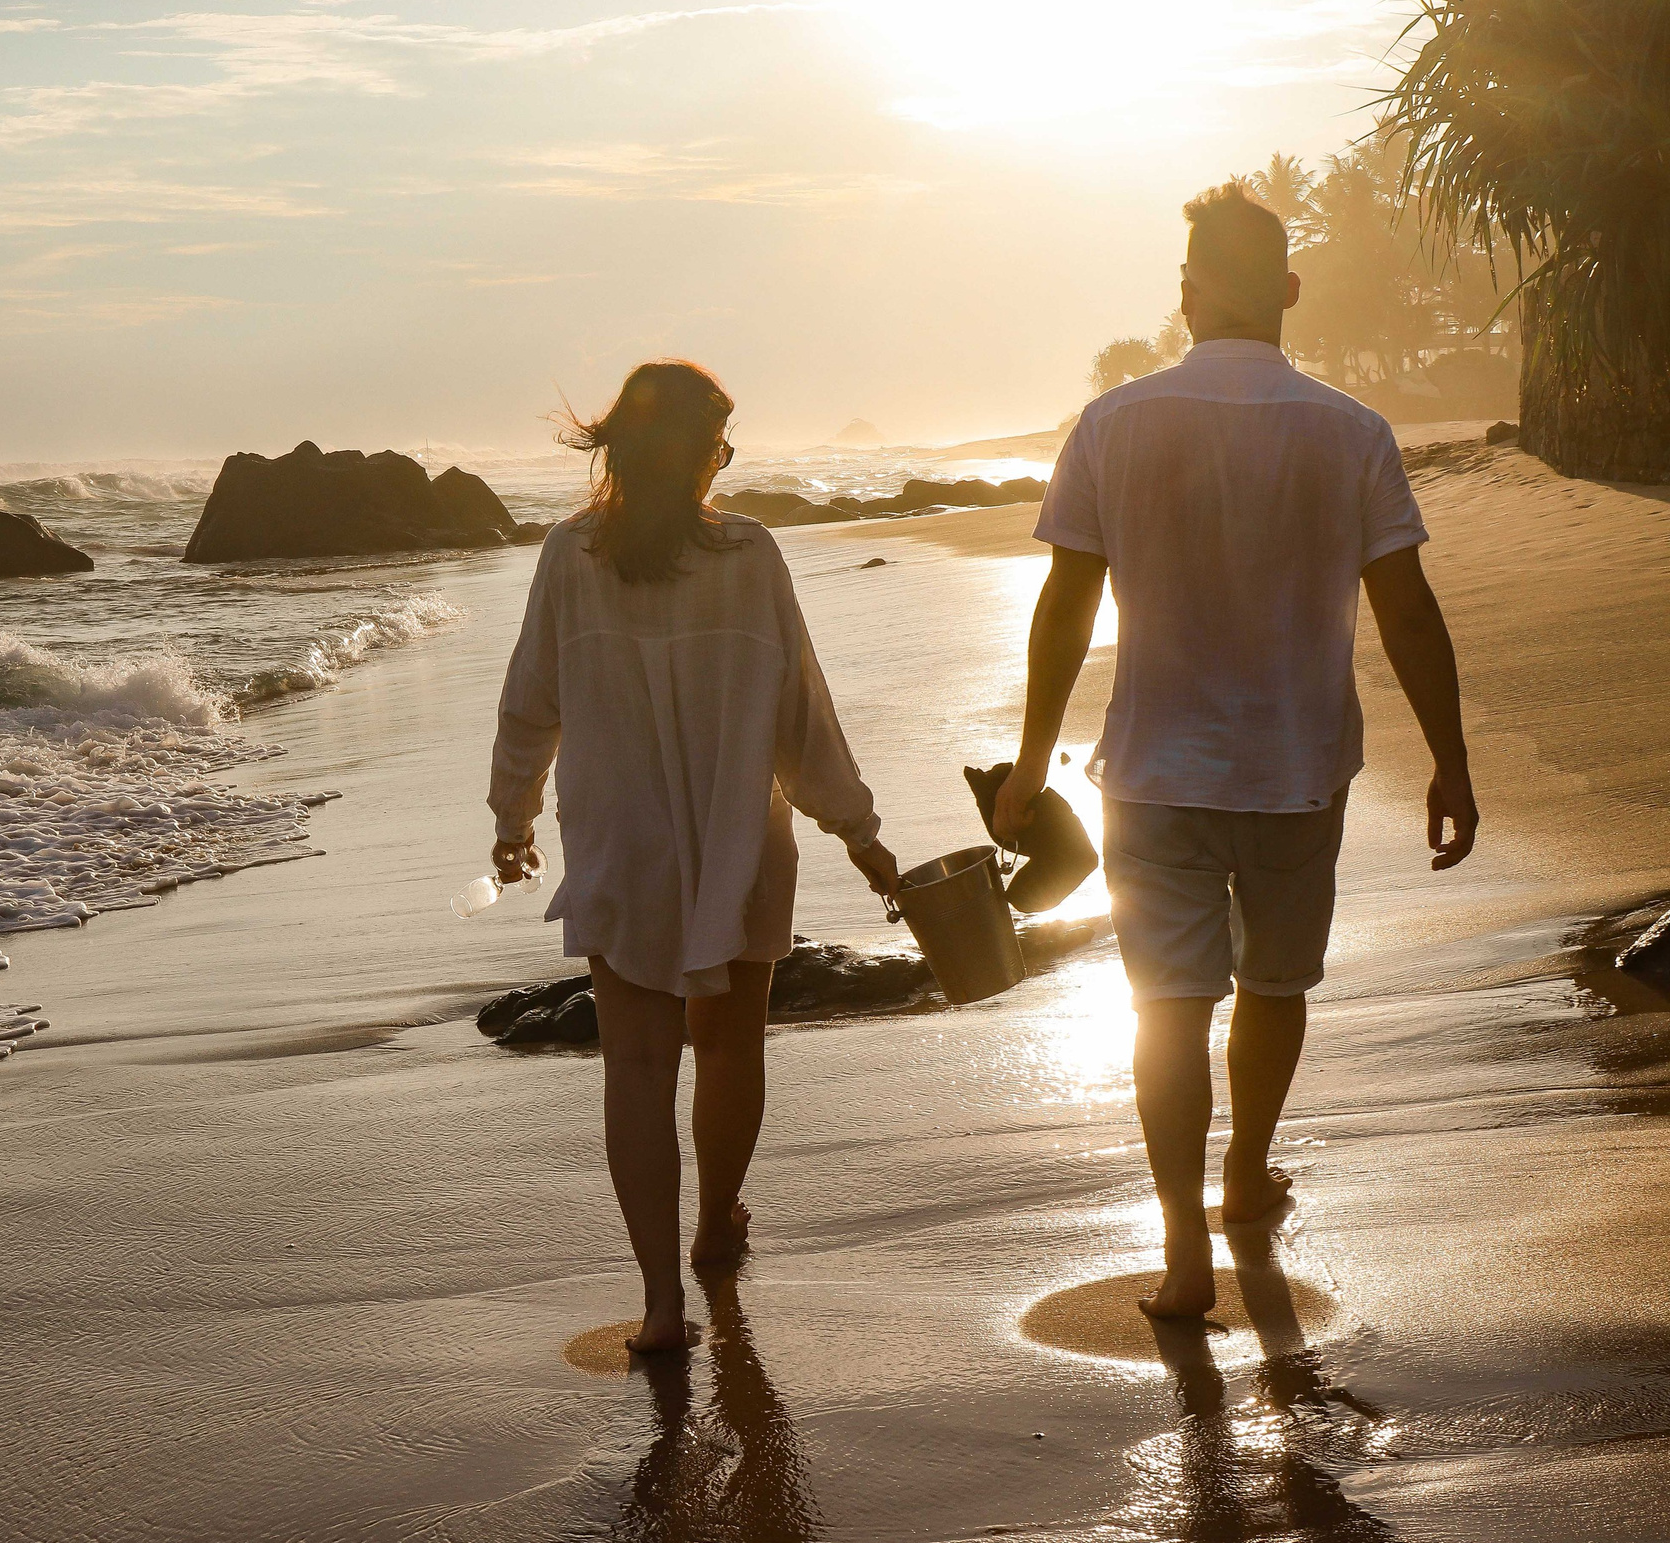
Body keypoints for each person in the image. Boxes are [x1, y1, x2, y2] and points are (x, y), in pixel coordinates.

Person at [993, 183, 1478, 1321]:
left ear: (1186, 292)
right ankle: (1244, 1174)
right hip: (1296, 767)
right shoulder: (1350, 431)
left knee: (1167, 1009)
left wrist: (1027, 760)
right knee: (1273, 985)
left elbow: (1065, 606)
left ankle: (1182, 1251)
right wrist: (1449, 760)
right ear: (1290, 291)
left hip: (1153, 771)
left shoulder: (1112, 423)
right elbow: (1407, 610)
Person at [488, 360, 899, 1354]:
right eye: (721, 444)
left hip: (621, 843)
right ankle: (717, 1220)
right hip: (737, 838)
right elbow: (801, 715)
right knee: (727, 1045)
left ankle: (662, 1305)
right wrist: (858, 829)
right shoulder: (748, 554)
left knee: (635, 1067)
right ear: (705, 453)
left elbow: (528, 703)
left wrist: (513, 818)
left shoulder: (569, 554)